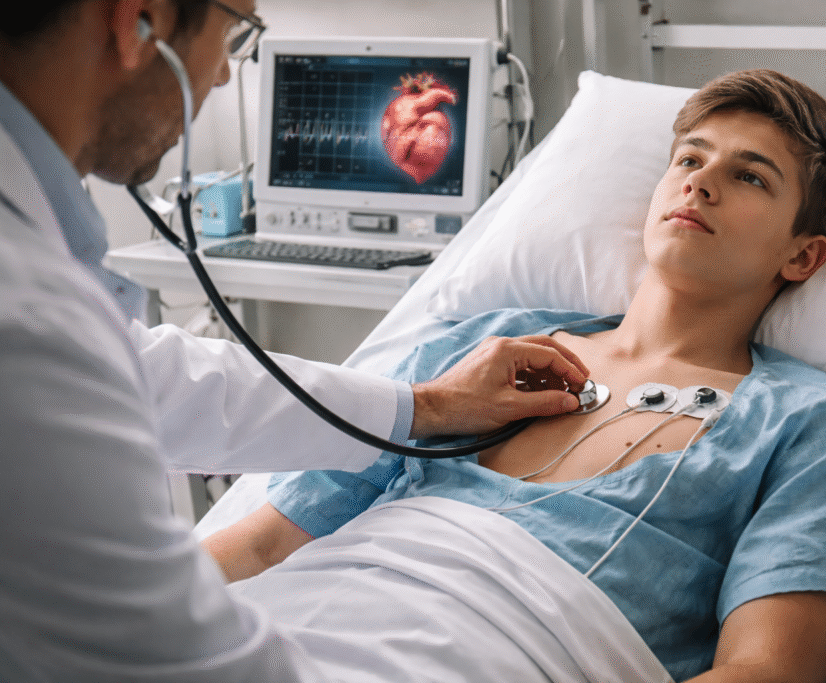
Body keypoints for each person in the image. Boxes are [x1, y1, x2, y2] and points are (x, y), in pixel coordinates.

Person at [205, 70, 826, 682]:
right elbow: (267, 544)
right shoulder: (478, 348)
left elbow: (764, 671)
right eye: (689, 158)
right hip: (281, 628)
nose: (700, 183)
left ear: (803, 254)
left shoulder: (812, 426)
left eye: (750, 177)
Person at [0, 1, 590, 680]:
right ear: (142, 21)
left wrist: (421, 406)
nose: (224, 75)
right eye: (233, 32)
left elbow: (157, 375)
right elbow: (169, 657)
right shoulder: (28, 327)